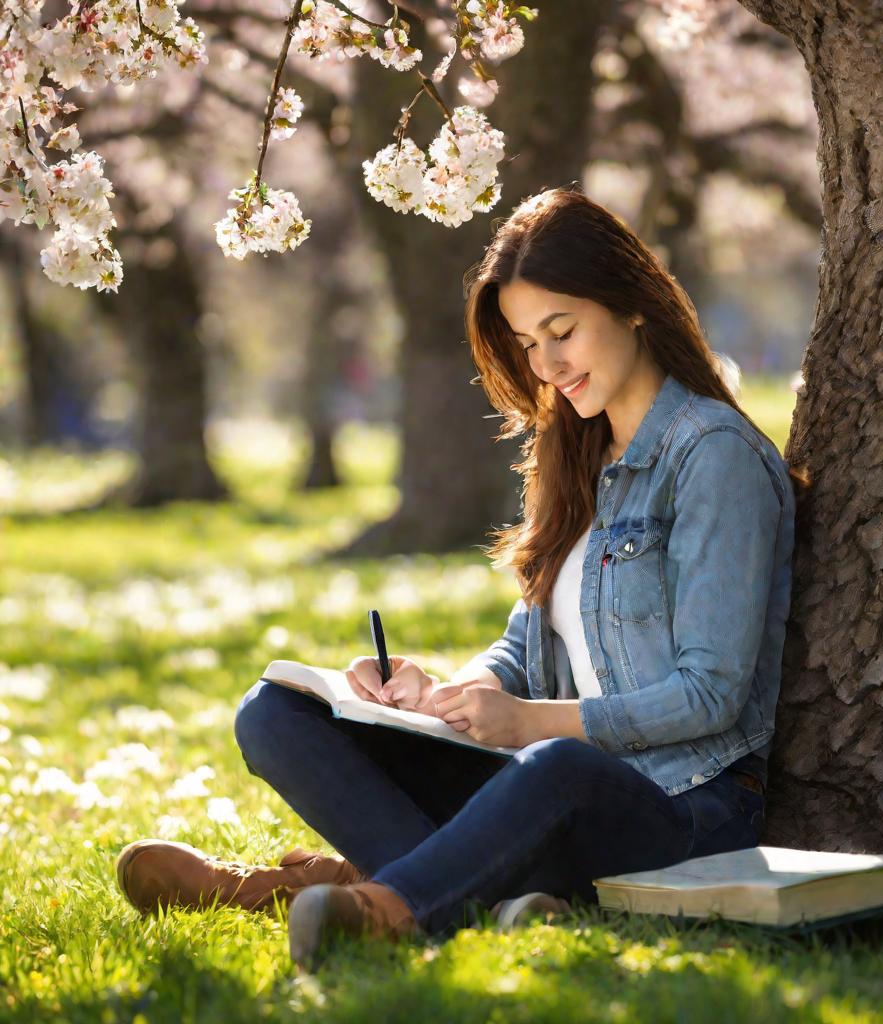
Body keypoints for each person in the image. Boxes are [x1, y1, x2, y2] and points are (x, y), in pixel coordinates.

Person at [114, 184, 803, 971]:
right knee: (276, 714)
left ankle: (376, 908)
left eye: (562, 330)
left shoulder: (714, 457)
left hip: (684, 810)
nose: (547, 364)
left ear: (633, 305)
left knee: (558, 765)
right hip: (540, 785)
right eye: (527, 342)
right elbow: (523, 651)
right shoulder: (575, 455)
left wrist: (529, 724)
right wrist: (443, 697)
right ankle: (482, 898)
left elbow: (710, 694)